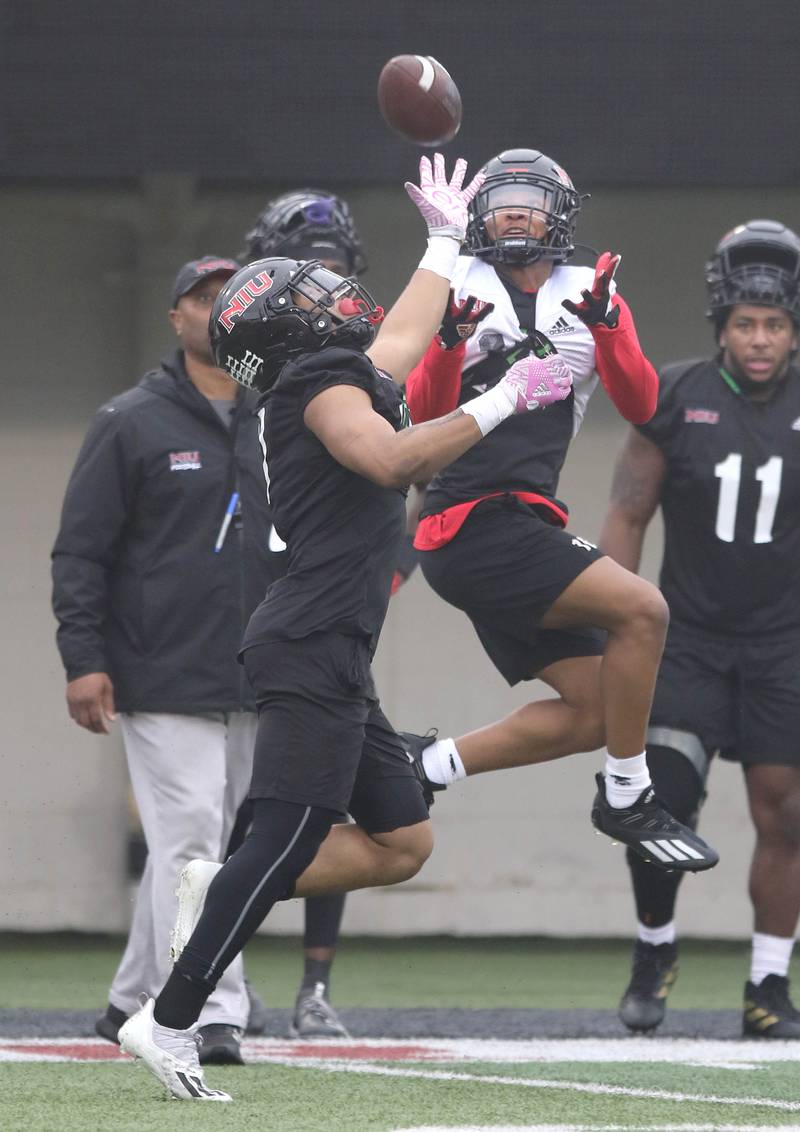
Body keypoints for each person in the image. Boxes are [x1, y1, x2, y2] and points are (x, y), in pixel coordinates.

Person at [116, 152, 577, 1102]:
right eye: (316, 291)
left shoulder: (330, 367)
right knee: (286, 838)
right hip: (312, 639)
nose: (338, 293)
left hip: (332, 643)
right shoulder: (319, 390)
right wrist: (505, 396)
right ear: (294, 325)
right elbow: (399, 458)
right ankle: (166, 1021)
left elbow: (405, 334)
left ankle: (221, 884)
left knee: (403, 839)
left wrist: (446, 242)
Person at [402, 148, 719, 875]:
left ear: (561, 214)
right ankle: (628, 793)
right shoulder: (453, 281)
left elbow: (643, 407)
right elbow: (420, 414)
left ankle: (429, 764)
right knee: (644, 611)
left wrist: (608, 328)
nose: (515, 210)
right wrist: (449, 340)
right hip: (468, 519)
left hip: (525, 523)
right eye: (502, 198)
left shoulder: (590, 291)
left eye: (531, 198)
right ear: (479, 215)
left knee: (599, 710)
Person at [51, 254, 272, 1065]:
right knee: (191, 843)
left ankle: (125, 1000)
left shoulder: (281, 411)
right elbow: (80, 552)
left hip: (262, 672)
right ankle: (213, 1008)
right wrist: (84, 657)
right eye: (202, 299)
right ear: (175, 318)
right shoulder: (129, 420)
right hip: (160, 674)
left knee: (221, 843)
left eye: (231, 299)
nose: (218, 311)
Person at [599, 218, 800, 1038]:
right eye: (745, 325)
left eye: (776, 325)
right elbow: (626, 511)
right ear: (721, 328)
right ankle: (655, 949)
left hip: (784, 644)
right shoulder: (676, 396)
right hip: (688, 638)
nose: (760, 340)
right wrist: (612, 617)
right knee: (665, 802)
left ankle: (767, 987)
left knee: (786, 814)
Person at [232, 187, 385, 1041]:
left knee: (323, 802)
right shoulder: (272, 375)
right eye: (308, 277)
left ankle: (313, 986)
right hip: (282, 604)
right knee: (269, 803)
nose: (327, 292)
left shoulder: (359, 362)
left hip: (336, 602)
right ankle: (220, 978)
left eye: (335, 275)